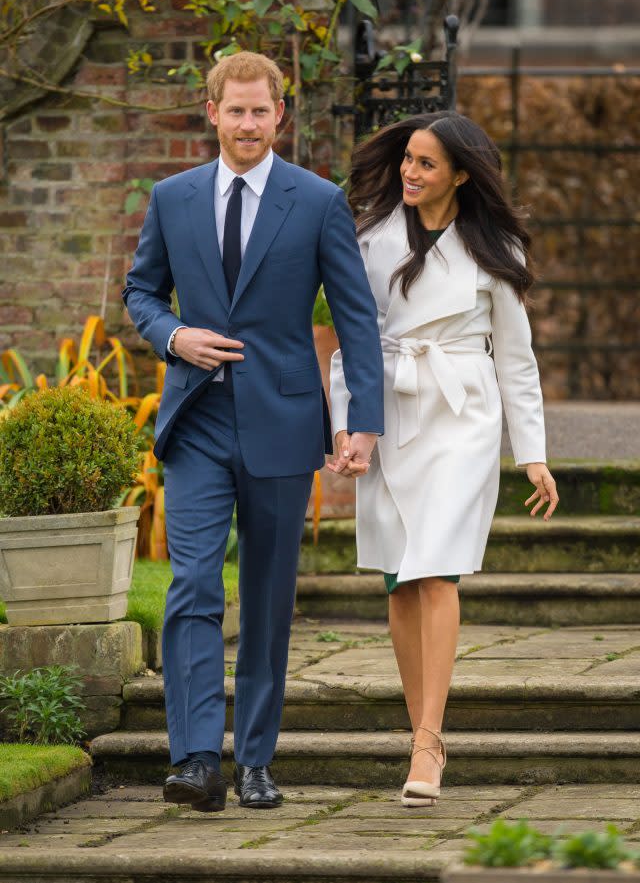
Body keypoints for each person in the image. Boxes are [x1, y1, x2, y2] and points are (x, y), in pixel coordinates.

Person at [123, 52, 383, 812]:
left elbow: (355, 315)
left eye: (259, 112)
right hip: (197, 420)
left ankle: (257, 760)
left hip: (282, 421)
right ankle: (198, 758)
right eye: (233, 111)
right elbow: (142, 289)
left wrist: (360, 422)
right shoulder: (171, 198)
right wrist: (175, 337)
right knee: (195, 582)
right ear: (211, 112)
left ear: (280, 115)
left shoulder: (317, 200)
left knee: (268, 598)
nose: (246, 124)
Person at [328, 111, 559, 807]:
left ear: (460, 174)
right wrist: (347, 425)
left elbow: (516, 360)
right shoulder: (369, 240)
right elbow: (352, 341)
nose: (410, 172)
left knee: (437, 569)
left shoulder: (494, 251)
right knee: (399, 577)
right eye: (407, 159)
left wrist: (535, 455)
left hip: (462, 414)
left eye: (426, 163)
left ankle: (430, 738)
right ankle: (418, 727)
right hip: (390, 411)